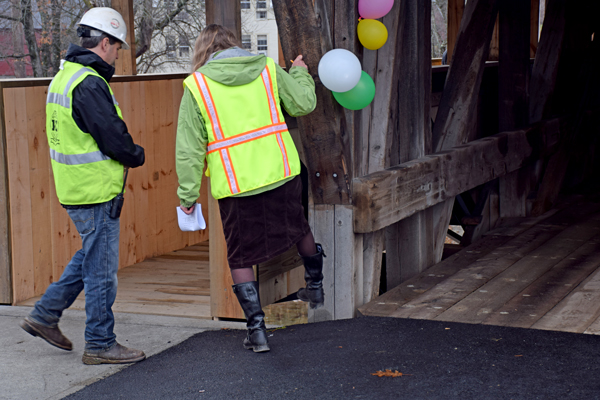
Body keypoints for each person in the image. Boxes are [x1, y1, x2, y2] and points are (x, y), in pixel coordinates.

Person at [176, 24, 325, 353]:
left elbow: (188, 150)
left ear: (203, 51)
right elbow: (303, 104)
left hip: (236, 182)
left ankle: (256, 331)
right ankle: (315, 287)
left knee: (241, 253)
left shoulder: (197, 85)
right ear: (235, 44)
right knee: (298, 226)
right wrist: (299, 73)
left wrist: (187, 197)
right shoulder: (268, 68)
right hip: (281, 170)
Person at [19, 7, 146, 365]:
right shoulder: (89, 83)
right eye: (117, 46)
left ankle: (46, 314)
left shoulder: (65, 77)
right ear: (104, 43)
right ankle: (100, 343)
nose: (118, 53)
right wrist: (136, 154)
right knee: (102, 271)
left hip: (75, 189)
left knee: (91, 256)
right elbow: (112, 138)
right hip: (96, 191)